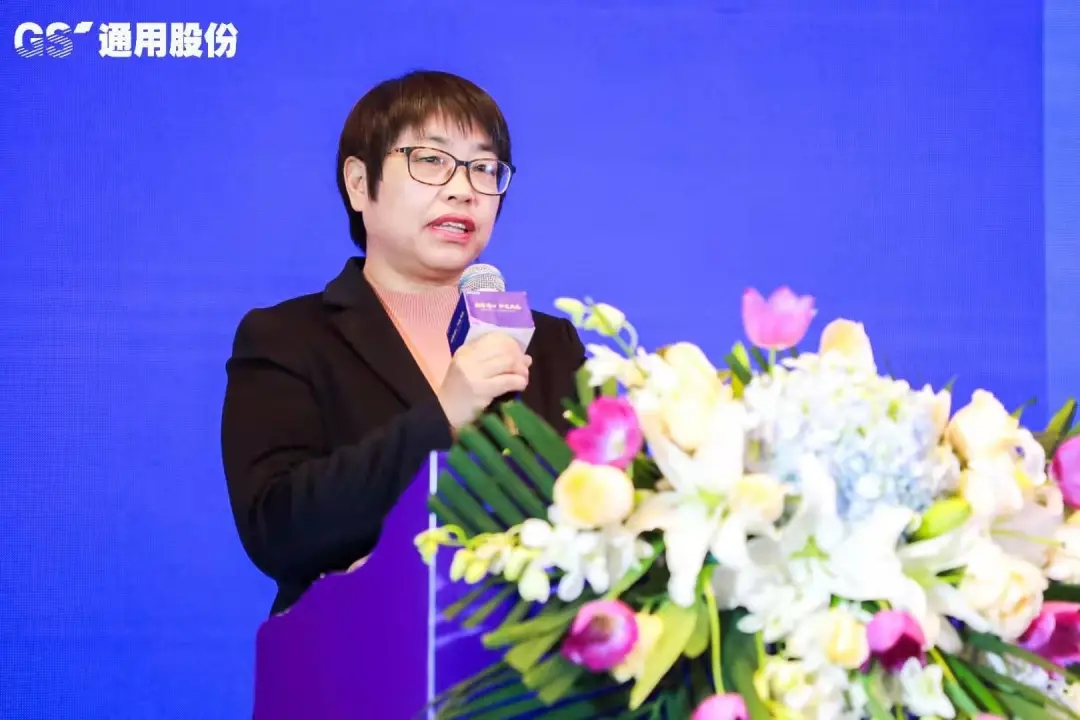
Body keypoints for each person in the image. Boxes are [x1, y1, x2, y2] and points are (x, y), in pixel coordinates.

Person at [220, 70, 585, 616]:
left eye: (484, 168)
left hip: (535, 656)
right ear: (358, 183)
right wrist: (443, 417)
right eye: (431, 160)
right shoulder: (288, 338)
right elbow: (278, 528)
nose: (463, 189)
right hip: (357, 652)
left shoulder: (551, 344)